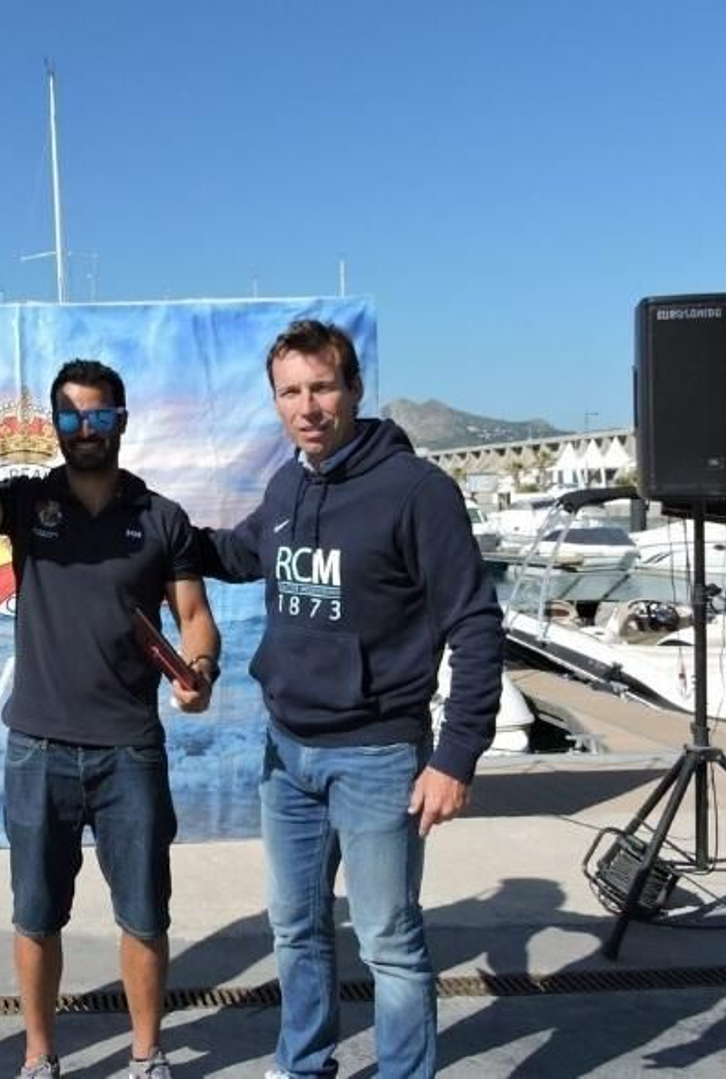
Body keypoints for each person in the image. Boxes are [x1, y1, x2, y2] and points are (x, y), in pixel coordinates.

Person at [194, 319, 503, 1079]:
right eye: (290, 391)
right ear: (275, 401)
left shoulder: (417, 492)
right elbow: (239, 552)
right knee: (296, 927)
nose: (308, 406)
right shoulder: (288, 481)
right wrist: (156, 531)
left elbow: (475, 623)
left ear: (355, 388)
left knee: (388, 941)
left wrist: (455, 755)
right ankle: (303, 1064)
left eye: (322, 386)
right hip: (287, 751)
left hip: (378, 754)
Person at [0, 359, 222, 1079]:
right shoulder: (24, 504)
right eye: (73, 417)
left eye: (100, 415)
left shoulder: (161, 518)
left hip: (131, 753)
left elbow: (197, 618)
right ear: (55, 426)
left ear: (123, 420)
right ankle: (38, 1055)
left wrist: (199, 671)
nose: (87, 429)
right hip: (37, 749)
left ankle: (148, 1056)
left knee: (145, 915)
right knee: (36, 915)